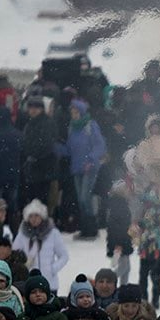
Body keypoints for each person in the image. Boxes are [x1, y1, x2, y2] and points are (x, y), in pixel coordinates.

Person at [62, 98, 106, 241]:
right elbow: (70, 148)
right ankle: (85, 228)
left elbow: (100, 145)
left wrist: (91, 160)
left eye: (76, 112)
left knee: (85, 198)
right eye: (72, 112)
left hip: (89, 167)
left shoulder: (90, 125)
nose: (73, 115)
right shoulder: (72, 127)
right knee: (81, 200)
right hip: (76, 167)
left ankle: (91, 228)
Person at [11, 201, 68, 294]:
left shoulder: (53, 233)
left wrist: (52, 269)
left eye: (36, 215)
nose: (34, 219)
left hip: (50, 283)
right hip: (29, 283)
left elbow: (64, 256)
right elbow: (14, 254)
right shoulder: (22, 234)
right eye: (31, 216)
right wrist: (24, 265)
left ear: (42, 216)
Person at [20, 97, 57, 213]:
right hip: (33, 169)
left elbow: (46, 145)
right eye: (31, 107)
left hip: (43, 168)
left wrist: (34, 156)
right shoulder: (29, 124)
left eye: (36, 107)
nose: (33, 110)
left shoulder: (47, 123)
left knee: (41, 201)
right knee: (33, 200)